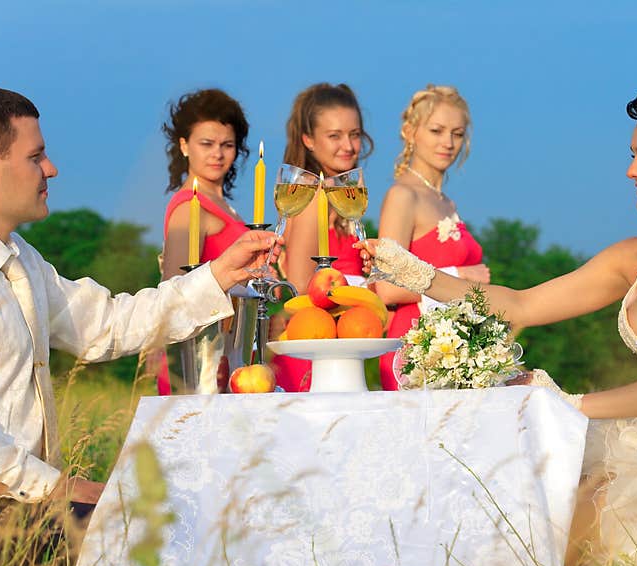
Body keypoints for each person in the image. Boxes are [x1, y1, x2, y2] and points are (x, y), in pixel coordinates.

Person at [359, 74, 637, 566]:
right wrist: (415, 272)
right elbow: (518, 306)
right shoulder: (636, 257)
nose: (631, 169)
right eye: (633, 155)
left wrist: (567, 405)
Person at [0, 86, 279, 566]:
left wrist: (219, 274)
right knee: (157, 537)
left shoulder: (21, 260)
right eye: (36, 156)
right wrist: (58, 488)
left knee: (193, 519)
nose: (52, 169)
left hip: (28, 506)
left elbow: (107, 324)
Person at [374, 85, 490, 391]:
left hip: (450, 348)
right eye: (437, 131)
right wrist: (460, 277)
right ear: (410, 132)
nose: (448, 143)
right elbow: (386, 288)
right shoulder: (403, 195)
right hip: (414, 348)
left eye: (457, 133)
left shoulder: (445, 201)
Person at [272, 82, 374, 392]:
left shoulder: (340, 199)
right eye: (335, 136)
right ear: (308, 140)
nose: (348, 145)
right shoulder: (313, 197)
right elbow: (303, 286)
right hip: (312, 348)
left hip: (336, 347)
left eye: (354, 134)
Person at [154, 88, 251, 395]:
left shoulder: (223, 205)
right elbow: (174, 289)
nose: (217, 154)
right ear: (184, 145)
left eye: (227, 145)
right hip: (200, 360)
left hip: (229, 350)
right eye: (206, 144)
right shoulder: (188, 208)